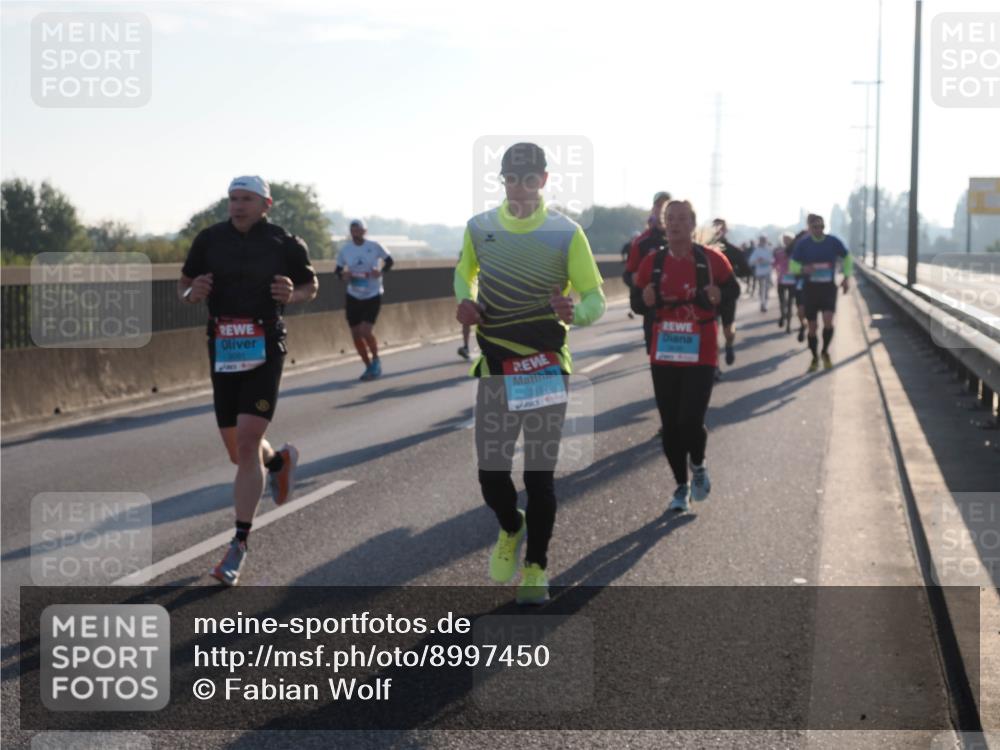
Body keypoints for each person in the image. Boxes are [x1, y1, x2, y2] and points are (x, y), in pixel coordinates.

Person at [455, 142, 606, 604]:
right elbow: (465, 275)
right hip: (497, 367)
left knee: (539, 477)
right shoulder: (479, 228)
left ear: (543, 180)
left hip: (545, 368)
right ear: (503, 181)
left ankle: (537, 569)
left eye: (528, 178)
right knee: (491, 475)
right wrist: (465, 300)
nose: (519, 187)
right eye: (510, 178)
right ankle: (510, 525)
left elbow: (595, 300)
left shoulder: (566, 233)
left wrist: (574, 312)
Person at [179, 175, 318, 586]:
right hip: (223, 345)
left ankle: (238, 545)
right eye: (232, 198)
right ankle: (278, 461)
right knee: (239, 452)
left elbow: (311, 286)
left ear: (265, 204)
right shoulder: (209, 239)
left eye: (246, 199)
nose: (237, 205)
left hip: (265, 345)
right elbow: (183, 286)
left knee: (245, 442)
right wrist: (193, 293)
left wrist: (291, 295)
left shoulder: (284, 242)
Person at [636, 200, 739, 513]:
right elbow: (638, 302)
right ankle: (681, 487)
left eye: (683, 218)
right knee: (670, 425)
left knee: (690, 420)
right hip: (664, 350)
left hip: (701, 351)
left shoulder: (711, 260)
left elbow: (732, 291)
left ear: (693, 224)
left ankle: (698, 463)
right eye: (671, 218)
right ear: (665, 224)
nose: (677, 223)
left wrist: (720, 300)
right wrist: (644, 299)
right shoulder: (653, 262)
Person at [789, 214, 852, 372]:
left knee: (828, 320)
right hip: (810, 289)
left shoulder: (833, 241)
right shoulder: (803, 244)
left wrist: (846, 277)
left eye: (821, 227)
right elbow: (793, 266)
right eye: (815, 227)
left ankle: (824, 352)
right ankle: (815, 357)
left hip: (828, 288)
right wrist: (804, 269)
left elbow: (847, 257)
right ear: (809, 228)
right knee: (812, 326)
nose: (819, 230)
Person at [335, 219, 393, 381]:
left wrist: (380, 271)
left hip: (372, 294)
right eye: (353, 230)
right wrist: (343, 275)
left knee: (365, 331)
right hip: (353, 295)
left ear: (364, 231)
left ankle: (376, 359)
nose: (356, 233)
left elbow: (390, 261)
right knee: (355, 334)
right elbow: (338, 271)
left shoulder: (374, 246)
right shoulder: (346, 250)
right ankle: (368, 366)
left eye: (359, 230)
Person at [625, 192, 671, 353]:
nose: (662, 209)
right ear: (653, 209)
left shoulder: (687, 240)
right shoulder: (642, 242)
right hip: (653, 314)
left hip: (683, 315)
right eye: (659, 205)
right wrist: (636, 281)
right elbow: (628, 273)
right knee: (658, 364)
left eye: (667, 205)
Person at [709, 218, 749, 368]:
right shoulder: (703, 250)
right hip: (709, 296)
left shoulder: (733, 250)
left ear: (726, 230)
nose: (718, 230)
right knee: (711, 331)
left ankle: (729, 345)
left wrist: (731, 272)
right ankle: (714, 366)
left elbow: (746, 270)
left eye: (721, 228)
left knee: (728, 330)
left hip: (727, 294)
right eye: (715, 227)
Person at [773, 233, 796, 332]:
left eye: (788, 239)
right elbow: (774, 263)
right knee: (782, 301)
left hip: (792, 280)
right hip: (782, 280)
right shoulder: (779, 251)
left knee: (790, 303)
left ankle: (788, 326)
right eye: (784, 239)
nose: (786, 241)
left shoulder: (796, 251)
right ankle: (783, 315)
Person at [749, 235, 774, 312]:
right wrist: (757, 260)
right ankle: (762, 303)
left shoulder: (769, 249)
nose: (762, 241)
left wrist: (766, 261)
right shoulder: (757, 250)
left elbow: (773, 260)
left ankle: (765, 304)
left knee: (766, 289)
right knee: (761, 289)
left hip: (767, 272)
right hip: (760, 273)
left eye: (763, 240)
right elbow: (751, 262)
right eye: (761, 240)